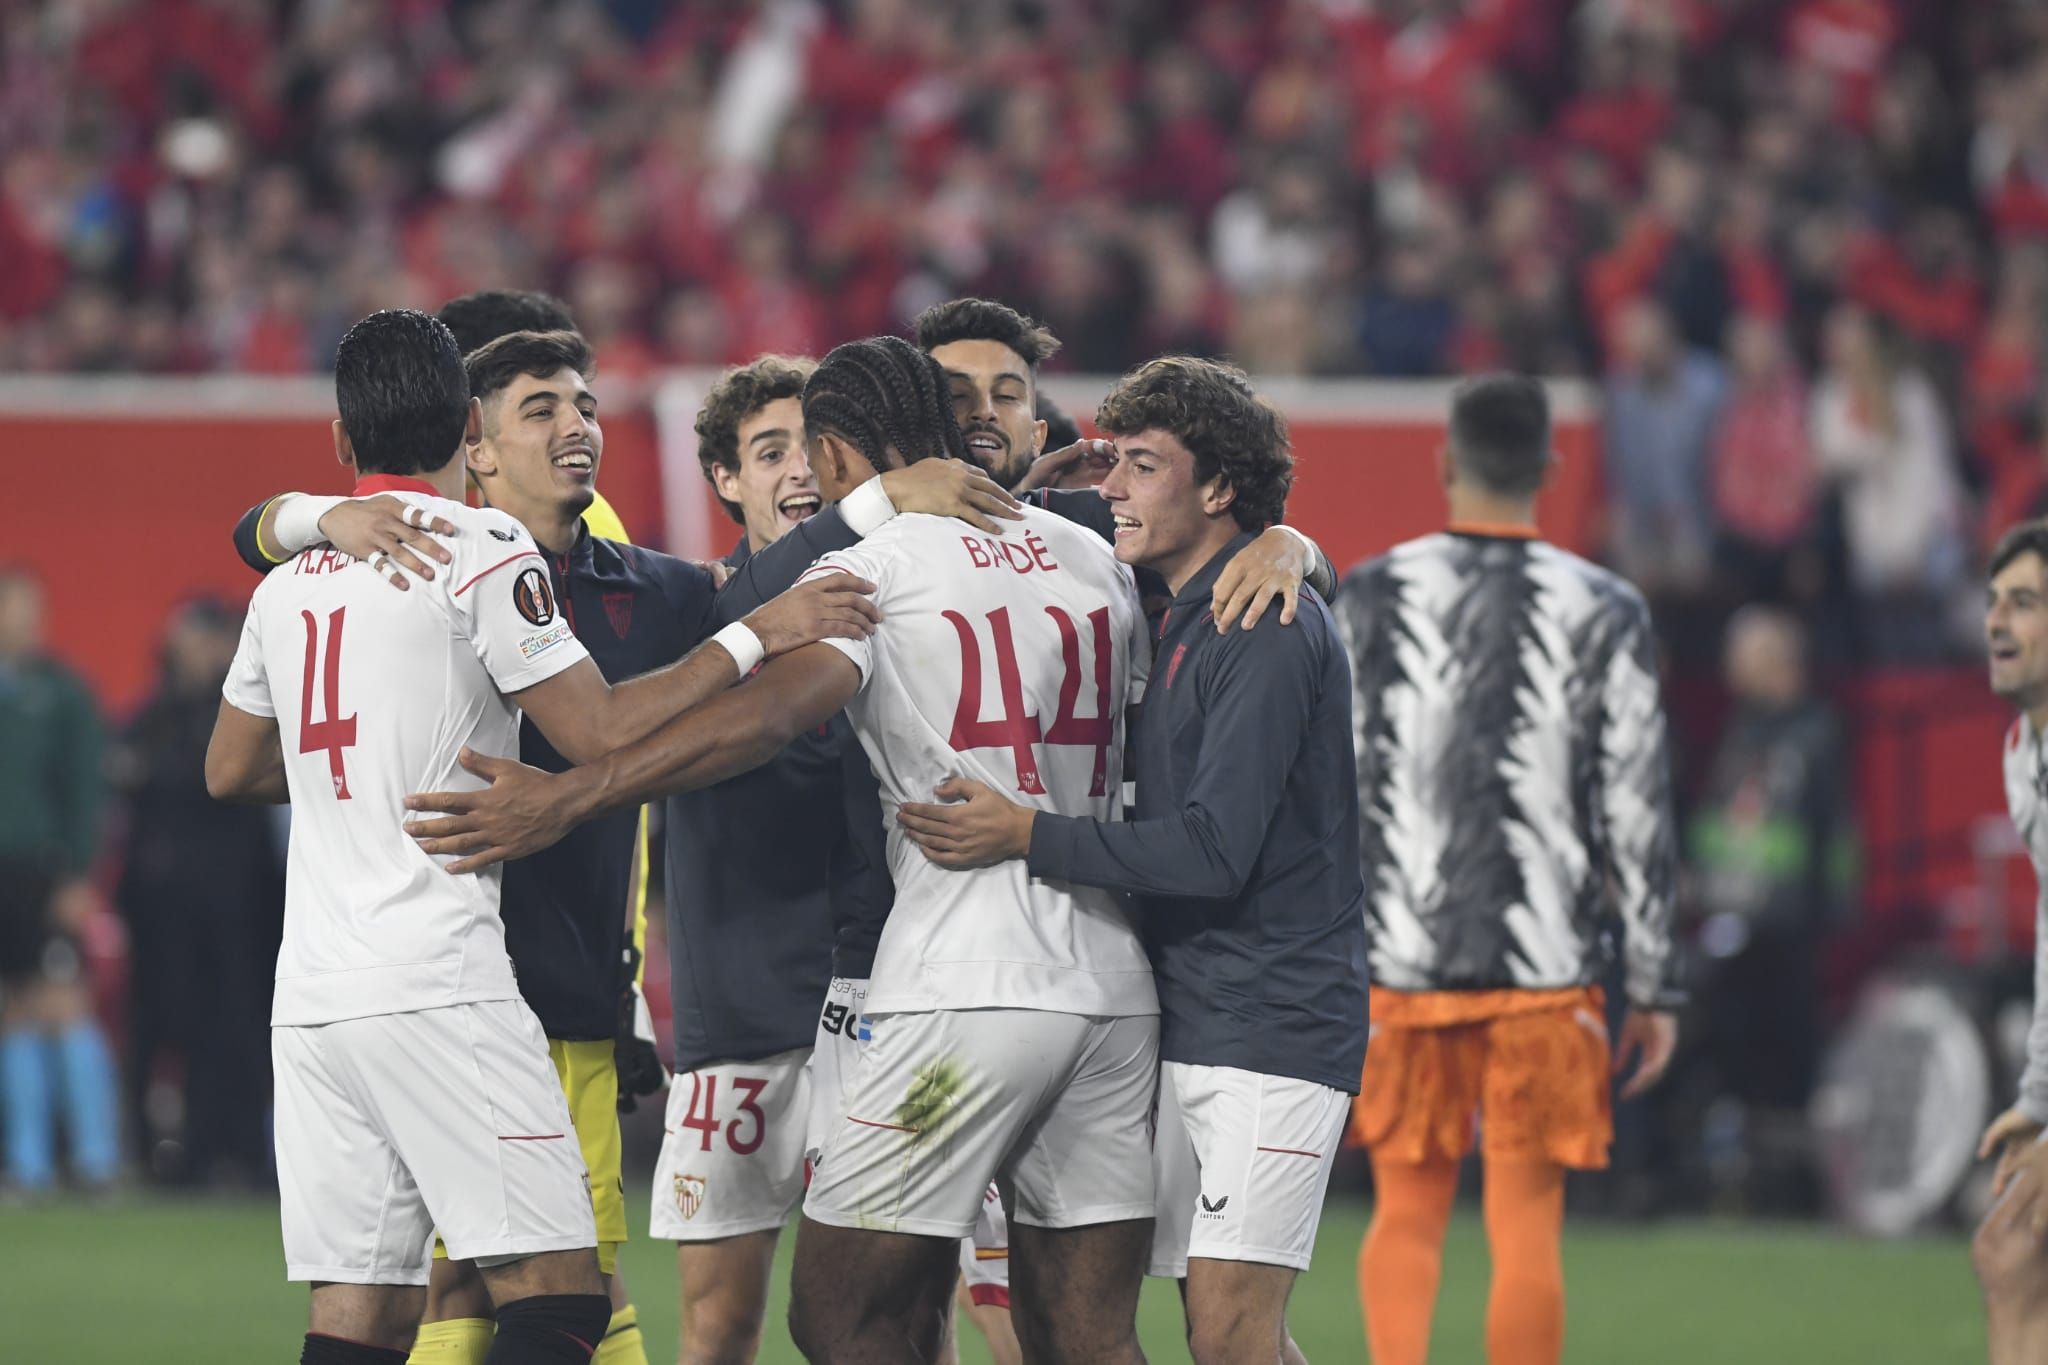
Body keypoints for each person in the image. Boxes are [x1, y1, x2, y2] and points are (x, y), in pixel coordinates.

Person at [404, 336, 1162, 1365]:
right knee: (1087, 1336)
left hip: (965, 992)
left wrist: (571, 798)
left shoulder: (875, 564)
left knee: (842, 1318)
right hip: (1114, 992)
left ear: (844, 455)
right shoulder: (1091, 561)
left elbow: (766, 718)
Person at [203, 308, 875, 1365]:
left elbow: (230, 769)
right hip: (442, 978)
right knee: (563, 1291)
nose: (574, 426)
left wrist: (374, 751)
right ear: (470, 426)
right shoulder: (482, 546)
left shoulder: (286, 587)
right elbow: (596, 729)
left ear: (341, 442)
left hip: (319, 998)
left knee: (359, 1313)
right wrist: (760, 632)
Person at [893, 355, 1369, 1365]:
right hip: (1189, 1013)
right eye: (1110, 466)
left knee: (1231, 1331)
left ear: (1217, 489)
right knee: (1200, 1330)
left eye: (1141, 467)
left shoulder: (1264, 628)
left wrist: (1024, 834)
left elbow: (1210, 853)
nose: (1110, 489)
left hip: (1272, 1023)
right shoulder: (1166, 608)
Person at [1333, 374, 1683, 1365]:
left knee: (1404, 1212)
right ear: (1547, 469)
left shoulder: (1371, 592)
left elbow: (1334, 791)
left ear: (1445, 463)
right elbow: (1636, 805)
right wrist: (1654, 983)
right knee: (1525, 1224)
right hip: (1547, 969)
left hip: (1404, 960)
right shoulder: (1605, 607)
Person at [113, 596, 282, 1188]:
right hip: (162, 911)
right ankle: (162, 1154)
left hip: (241, 909)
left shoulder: (248, 716)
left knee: (236, 1031)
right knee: (162, 1028)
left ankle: (238, 1151)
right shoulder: (153, 717)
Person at [0, 564, 118, 1198]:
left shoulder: (65, 694)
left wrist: (79, 873)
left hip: (45, 874)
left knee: (65, 1003)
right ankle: (29, 1165)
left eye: (28, 610)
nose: (20, 622)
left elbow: (85, 792)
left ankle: (98, 1160)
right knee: (13, 1011)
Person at [1972, 518, 2048, 1365]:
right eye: (1993, 603)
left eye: (2024, 603)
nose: (1996, 621)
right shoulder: (2024, 753)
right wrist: (2040, 1095)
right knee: (2013, 1250)